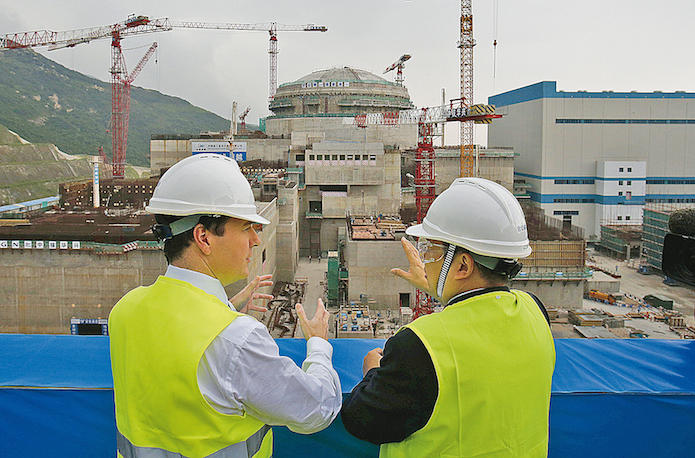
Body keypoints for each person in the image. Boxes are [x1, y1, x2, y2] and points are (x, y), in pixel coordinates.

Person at [109, 153, 341, 458]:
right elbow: (317, 409)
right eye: (246, 227)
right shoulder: (236, 339)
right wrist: (319, 346)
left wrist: (224, 308)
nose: (256, 240)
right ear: (203, 237)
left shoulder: (125, 310)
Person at [340, 177, 555, 457]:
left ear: (463, 264)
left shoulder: (419, 345)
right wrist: (442, 288)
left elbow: (361, 420)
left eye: (433, 250)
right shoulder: (535, 311)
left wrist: (372, 371)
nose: (426, 259)